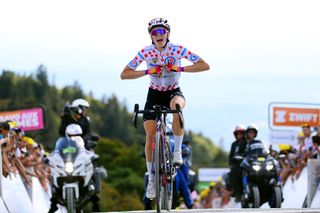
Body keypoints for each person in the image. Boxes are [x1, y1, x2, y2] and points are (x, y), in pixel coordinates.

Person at [120, 17, 210, 199]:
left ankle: (177, 152)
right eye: (155, 32)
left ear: (168, 33)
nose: (158, 35)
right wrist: (148, 71)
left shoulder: (177, 49)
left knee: (177, 107)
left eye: (162, 31)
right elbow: (124, 74)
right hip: (153, 94)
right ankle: (152, 179)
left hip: (173, 91)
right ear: (151, 37)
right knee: (150, 134)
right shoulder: (146, 52)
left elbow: (204, 65)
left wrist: (179, 68)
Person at [228, 124, 246, 202]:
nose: (240, 135)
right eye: (238, 134)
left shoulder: (247, 143)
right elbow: (231, 156)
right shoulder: (234, 144)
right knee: (234, 173)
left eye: (241, 133)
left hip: (246, 163)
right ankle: (236, 192)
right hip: (237, 164)